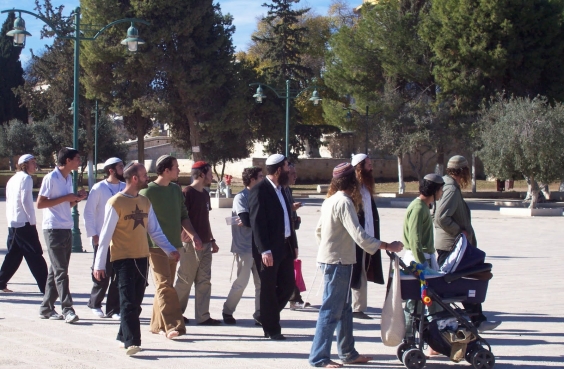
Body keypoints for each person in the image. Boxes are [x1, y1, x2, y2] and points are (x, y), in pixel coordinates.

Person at [309, 163, 403, 368]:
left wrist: (329, 250)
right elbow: (359, 235)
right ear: (353, 181)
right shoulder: (344, 202)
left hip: (334, 261)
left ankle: (348, 353)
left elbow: (319, 232)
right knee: (331, 311)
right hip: (338, 263)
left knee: (343, 310)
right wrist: (387, 245)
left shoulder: (330, 200)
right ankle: (319, 358)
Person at [93, 163, 180, 356]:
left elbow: (155, 230)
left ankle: (122, 336)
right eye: (143, 175)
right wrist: (99, 265)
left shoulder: (144, 202)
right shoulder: (115, 203)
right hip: (123, 260)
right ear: (134, 179)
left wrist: (170, 249)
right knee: (128, 302)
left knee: (136, 301)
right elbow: (105, 236)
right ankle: (132, 342)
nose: (146, 178)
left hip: (142, 258)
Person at [434, 155, 501, 333]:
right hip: (451, 246)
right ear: (463, 171)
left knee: (466, 281)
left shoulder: (447, 186)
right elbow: (441, 217)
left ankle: (477, 319)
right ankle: (474, 320)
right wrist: (459, 231)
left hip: (452, 245)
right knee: (465, 280)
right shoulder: (450, 189)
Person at [140, 155, 202, 338]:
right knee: (165, 285)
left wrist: (194, 236)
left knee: (164, 286)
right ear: (166, 170)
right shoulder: (147, 192)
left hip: (174, 245)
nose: (179, 171)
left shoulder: (176, 190)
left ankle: (156, 325)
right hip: (155, 246)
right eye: (176, 167)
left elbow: (184, 215)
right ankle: (173, 326)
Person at [249, 154, 298, 340]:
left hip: (285, 246)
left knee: (288, 286)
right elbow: (257, 222)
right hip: (268, 249)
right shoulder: (260, 190)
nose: (289, 170)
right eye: (287, 167)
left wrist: (293, 243)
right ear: (278, 170)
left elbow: (288, 219)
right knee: (268, 288)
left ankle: (265, 315)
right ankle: (272, 329)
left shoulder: (282, 189)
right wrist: (264, 250)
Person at [37, 147, 87, 323]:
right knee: (61, 271)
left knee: (56, 271)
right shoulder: (51, 178)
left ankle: (46, 308)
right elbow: (41, 203)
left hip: (66, 227)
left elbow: (67, 205)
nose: (79, 162)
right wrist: (67, 198)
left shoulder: (69, 178)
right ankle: (67, 308)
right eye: (77, 159)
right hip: (53, 229)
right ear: (67, 161)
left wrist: (75, 199)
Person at [175, 161, 221, 326]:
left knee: (204, 280)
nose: (212, 176)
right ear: (201, 174)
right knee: (185, 280)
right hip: (189, 244)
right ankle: (175, 314)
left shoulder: (205, 194)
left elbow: (205, 220)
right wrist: (193, 237)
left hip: (206, 244)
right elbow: (181, 219)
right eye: (209, 173)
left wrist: (212, 240)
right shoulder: (187, 193)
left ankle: (203, 316)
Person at [402, 174, 444, 341]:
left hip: (423, 258)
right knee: (414, 303)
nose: (441, 194)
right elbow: (415, 240)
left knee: (423, 303)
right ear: (434, 190)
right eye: (441, 190)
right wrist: (422, 266)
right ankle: (409, 337)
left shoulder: (423, 207)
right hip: (417, 261)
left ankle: (431, 339)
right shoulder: (419, 208)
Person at [83, 157, 125, 319]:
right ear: (111, 170)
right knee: (101, 272)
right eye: (120, 167)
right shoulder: (99, 188)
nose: (123, 169)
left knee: (117, 274)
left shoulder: (123, 187)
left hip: (120, 239)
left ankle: (113, 308)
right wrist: (93, 234)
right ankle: (94, 303)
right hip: (102, 238)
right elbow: (89, 212)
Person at [0, 154, 48, 294]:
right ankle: (47, 288)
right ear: (25, 165)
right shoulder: (26, 178)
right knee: (35, 255)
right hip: (24, 223)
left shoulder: (13, 179)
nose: (35, 165)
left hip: (14, 223)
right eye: (32, 162)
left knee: (14, 255)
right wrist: (32, 221)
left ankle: (1, 281)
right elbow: (25, 201)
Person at [222, 166, 264, 325]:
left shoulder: (261, 195)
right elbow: (245, 219)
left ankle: (260, 314)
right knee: (242, 281)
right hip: (245, 247)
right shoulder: (241, 197)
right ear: (252, 179)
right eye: (260, 176)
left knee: (261, 283)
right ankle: (227, 310)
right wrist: (257, 219)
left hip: (260, 246)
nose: (263, 178)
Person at [350, 154, 384, 320]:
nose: (371, 168)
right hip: (357, 239)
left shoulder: (366, 187)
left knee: (363, 270)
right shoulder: (352, 188)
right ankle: (357, 307)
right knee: (358, 272)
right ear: (359, 167)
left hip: (369, 237)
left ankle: (358, 306)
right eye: (368, 165)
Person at [285, 163, 307, 310]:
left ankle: (294, 297)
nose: (295, 176)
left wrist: (295, 217)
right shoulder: (279, 190)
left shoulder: (288, 190)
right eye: (292, 173)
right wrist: (290, 209)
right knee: (286, 269)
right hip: (281, 237)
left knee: (290, 266)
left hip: (290, 234)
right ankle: (294, 297)